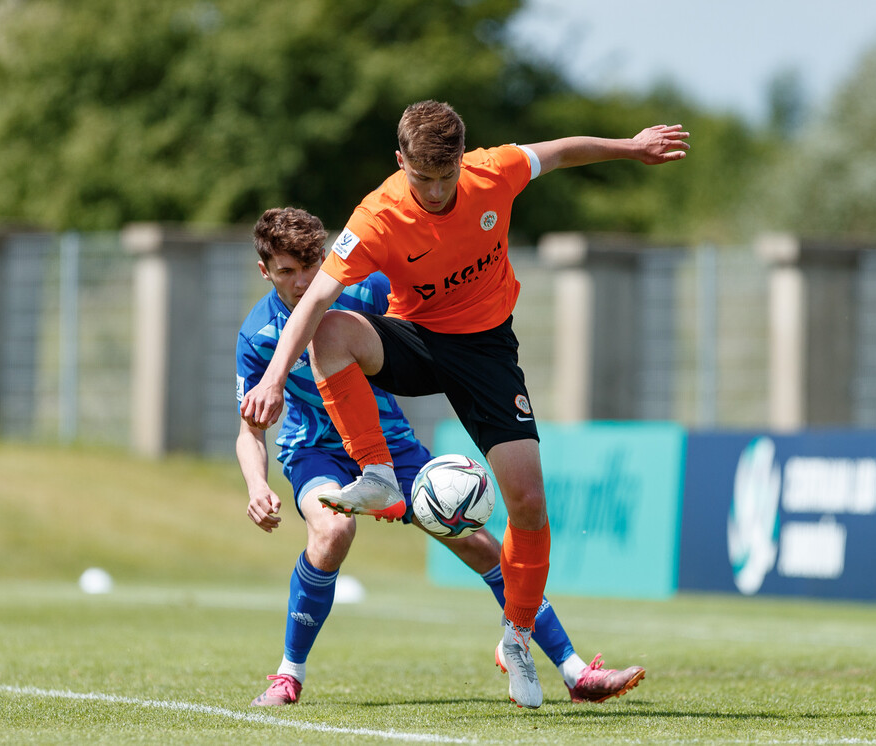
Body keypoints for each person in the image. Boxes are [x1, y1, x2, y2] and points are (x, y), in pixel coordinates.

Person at [240, 104, 690, 708]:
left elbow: (559, 151)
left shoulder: (494, 171)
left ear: (461, 161)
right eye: (420, 178)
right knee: (328, 332)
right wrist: (271, 379)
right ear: (401, 163)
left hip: (486, 353)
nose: (432, 191)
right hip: (408, 355)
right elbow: (319, 299)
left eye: (444, 177)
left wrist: (629, 147)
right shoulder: (375, 217)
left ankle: (528, 645)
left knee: (526, 506)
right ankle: (295, 656)